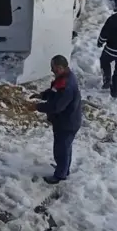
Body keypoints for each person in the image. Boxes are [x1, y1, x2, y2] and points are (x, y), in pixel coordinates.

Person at [30, 55, 82, 185]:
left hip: (66, 123)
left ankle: (60, 175)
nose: (51, 70)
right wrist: (42, 95)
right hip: (66, 121)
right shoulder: (64, 78)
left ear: (59, 68)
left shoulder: (67, 86)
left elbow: (56, 106)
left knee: (61, 150)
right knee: (66, 148)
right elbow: (54, 91)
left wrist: (36, 107)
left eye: (53, 68)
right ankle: (64, 169)